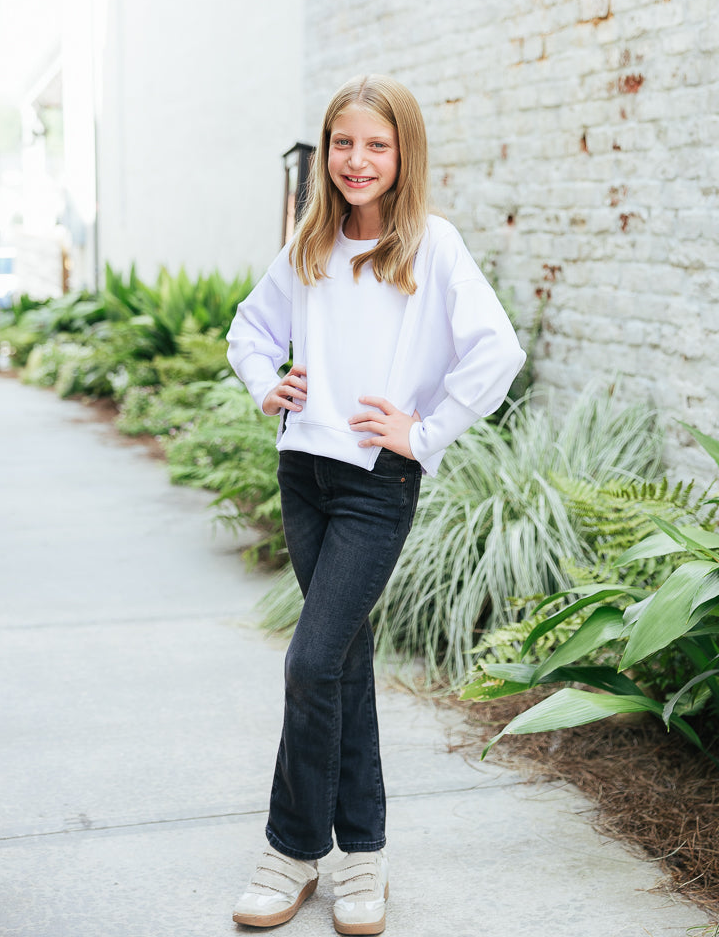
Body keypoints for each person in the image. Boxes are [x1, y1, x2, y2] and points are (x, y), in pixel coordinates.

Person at [226, 74, 525, 934]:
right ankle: (362, 861)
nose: (357, 161)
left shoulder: (431, 245)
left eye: (376, 145)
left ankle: (290, 851)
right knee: (343, 667)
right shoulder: (311, 243)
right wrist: (265, 382)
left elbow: (495, 350)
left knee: (311, 664)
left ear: (404, 155)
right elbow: (249, 329)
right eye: (343, 144)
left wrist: (423, 432)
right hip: (304, 478)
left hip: (373, 485)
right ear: (327, 154)